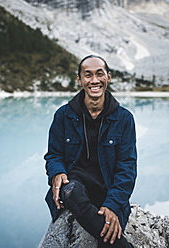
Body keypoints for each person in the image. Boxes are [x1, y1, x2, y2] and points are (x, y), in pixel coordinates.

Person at [44, 55, 137, 247]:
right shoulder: (63, 115)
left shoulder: (124, 119)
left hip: (106, 186)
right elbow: (54, 155)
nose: (94, 80)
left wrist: (112, 205)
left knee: (104, 240)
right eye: (88, 75)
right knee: (70, 190)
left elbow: (127, 167)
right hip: (76, 184)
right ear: (79, 80)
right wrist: (57, 172)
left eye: (99, 74)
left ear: (108, 77)